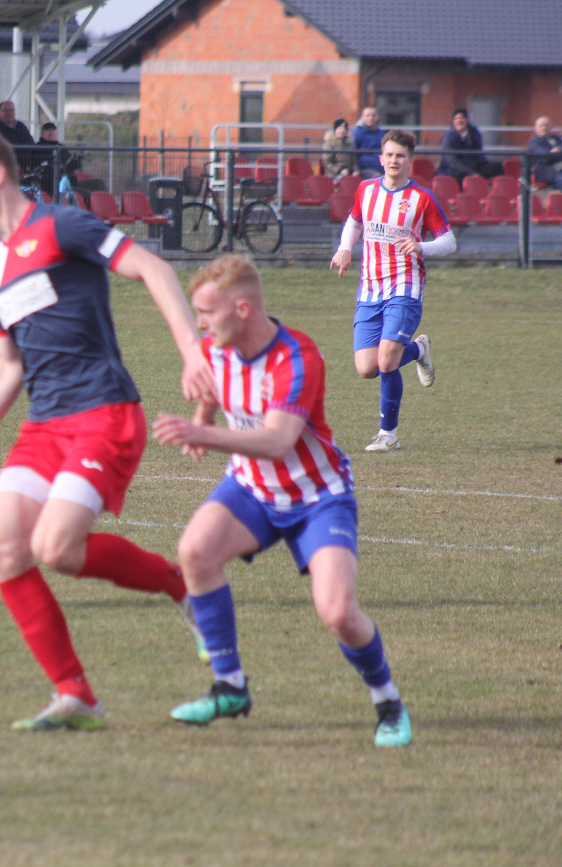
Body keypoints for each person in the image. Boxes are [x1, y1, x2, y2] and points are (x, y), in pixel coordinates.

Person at [0, 131, 215, 731]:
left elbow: (153, 268)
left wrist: (192, 351)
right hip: (44, 425)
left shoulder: (63, 226)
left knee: (55, 549)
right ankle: (75, 694)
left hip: (104, 413)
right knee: (3, 548)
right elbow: (10, 365)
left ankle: (181, 587)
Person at [151, 254, 412, 748]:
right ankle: (229, 687)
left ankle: (388, 702)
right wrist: (203, 412)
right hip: (252, 487)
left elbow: (277, 441)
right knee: (195, 553)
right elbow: (211, 378)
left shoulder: (297, 357)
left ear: (243, 310)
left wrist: (202, 434)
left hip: (317, 498)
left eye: (207, 312)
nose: (200, 324)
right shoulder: (217, 345)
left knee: (338, 613)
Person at [331, 129, 455, 452]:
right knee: (367, 368)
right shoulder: (366, 190)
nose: (394, 161)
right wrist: (345, 248)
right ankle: (418, 351)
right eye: (389, 155)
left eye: (400, 156)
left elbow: (449, 241)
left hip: (405, 286)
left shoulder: (421, 198)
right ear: (380, 158)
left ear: (410, 161)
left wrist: (421, 246)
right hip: (370, 288)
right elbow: (355, 222)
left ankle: (388, 434)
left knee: (387, 362)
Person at [438, 109, 503, 182]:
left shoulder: (474, 133)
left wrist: (482, 166)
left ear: (466, 120)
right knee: (461, 175)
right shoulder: (448, 137)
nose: (459, 121)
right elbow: (451, 161)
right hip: (453, 170)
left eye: (461, 118)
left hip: (473, 166)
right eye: (456, 118)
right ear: (453, 121)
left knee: (496, 167)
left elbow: (478, 153)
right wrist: (471, 173)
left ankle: (498, 190)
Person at [351, 107, 385, 178]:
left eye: (373, 115)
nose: (371, 118)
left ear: (377, 117)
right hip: (365, 170)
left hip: (384, 167)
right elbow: (352, 156)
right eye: (368, 116)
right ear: (362, 117)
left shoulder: (381, 133)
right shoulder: (355, 134)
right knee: (377, 178)